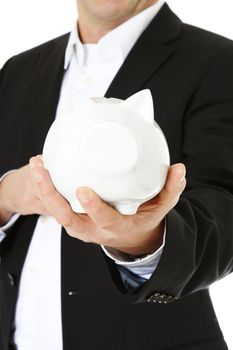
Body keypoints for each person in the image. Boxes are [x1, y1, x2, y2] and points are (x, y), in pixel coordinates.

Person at [0, 0, 233, 349]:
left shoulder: (219, 62)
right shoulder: (17, 70)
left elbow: (225, 214)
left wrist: (142, 239)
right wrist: (5, 197)